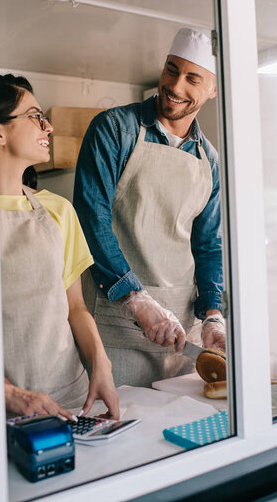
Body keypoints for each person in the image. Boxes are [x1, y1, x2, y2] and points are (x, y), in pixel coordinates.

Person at [74, 28, 225, 387]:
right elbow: (91, 219)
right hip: (115, 326)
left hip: (178, 336)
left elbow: (207, 247)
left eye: (192, 78)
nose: (175, 86)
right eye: (171, 70)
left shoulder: (211, 161)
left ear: (212, 89)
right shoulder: (114, 129)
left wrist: (213, 317)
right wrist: (137, 299)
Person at [0, 73, 119, 420]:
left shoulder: (58, 209)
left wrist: (100, 362)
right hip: (0, 408)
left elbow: (75, 307)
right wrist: (7, 392)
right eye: (34, 115)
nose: (47, 126)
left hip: (71, 397)